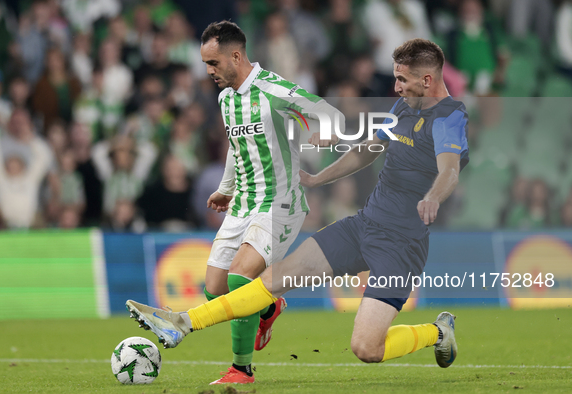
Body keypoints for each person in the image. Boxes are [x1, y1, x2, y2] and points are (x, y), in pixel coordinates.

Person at [128, 38, 470, 375]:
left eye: (402, 80)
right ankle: (182, 321)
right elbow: (368, 150)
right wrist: (319, 178)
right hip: (363, 225)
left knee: (367, 349)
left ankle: (438, 332)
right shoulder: (405, 106)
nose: (395, 87)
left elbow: (449, 170)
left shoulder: (449, 118)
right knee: (272, 280)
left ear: (427, 80)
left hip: (402, 245)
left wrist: (432, 197)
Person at [132, 20, 340, 385]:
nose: (208, 71)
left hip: (280, 203)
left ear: (236, 55)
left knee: (240, 278)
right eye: (205, 64)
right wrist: (226, 187)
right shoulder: (226, 98)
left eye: (213, 63)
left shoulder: (274, 91)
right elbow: (236, 146)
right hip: (243, 204)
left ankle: (240, 370)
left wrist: (325, 131)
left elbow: (331, 114)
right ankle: (269, 304)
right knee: (215, 288)